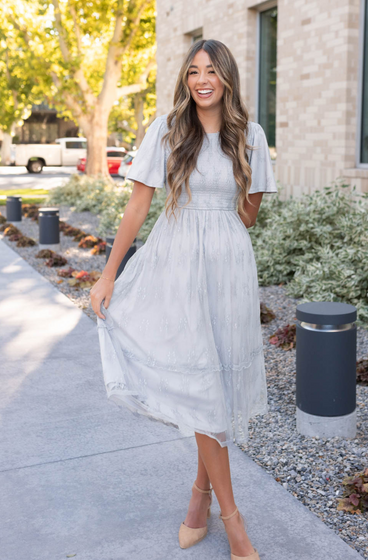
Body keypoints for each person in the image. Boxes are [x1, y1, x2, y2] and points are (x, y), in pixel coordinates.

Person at [90, 38, 277, 560]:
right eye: (194, 70)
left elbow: (250, 210)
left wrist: (216, 235)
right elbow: (137, 207)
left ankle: (199, 499)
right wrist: (108, 276)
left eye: (212, 70)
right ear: (186, 78)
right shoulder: (167, 130)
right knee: (199, 383)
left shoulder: (252, 136)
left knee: (211, 382)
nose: (202, 79)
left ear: (227, 78)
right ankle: (234, 522)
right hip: (175, 265)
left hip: (229, 269)